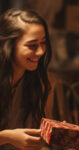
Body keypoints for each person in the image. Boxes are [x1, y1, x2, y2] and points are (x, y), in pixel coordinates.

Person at [0, 8, 54, 150]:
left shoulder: (34, 81)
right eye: (32, 45)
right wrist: (6, 137)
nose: (41, 51)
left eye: (43, 43)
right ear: (9, 46)